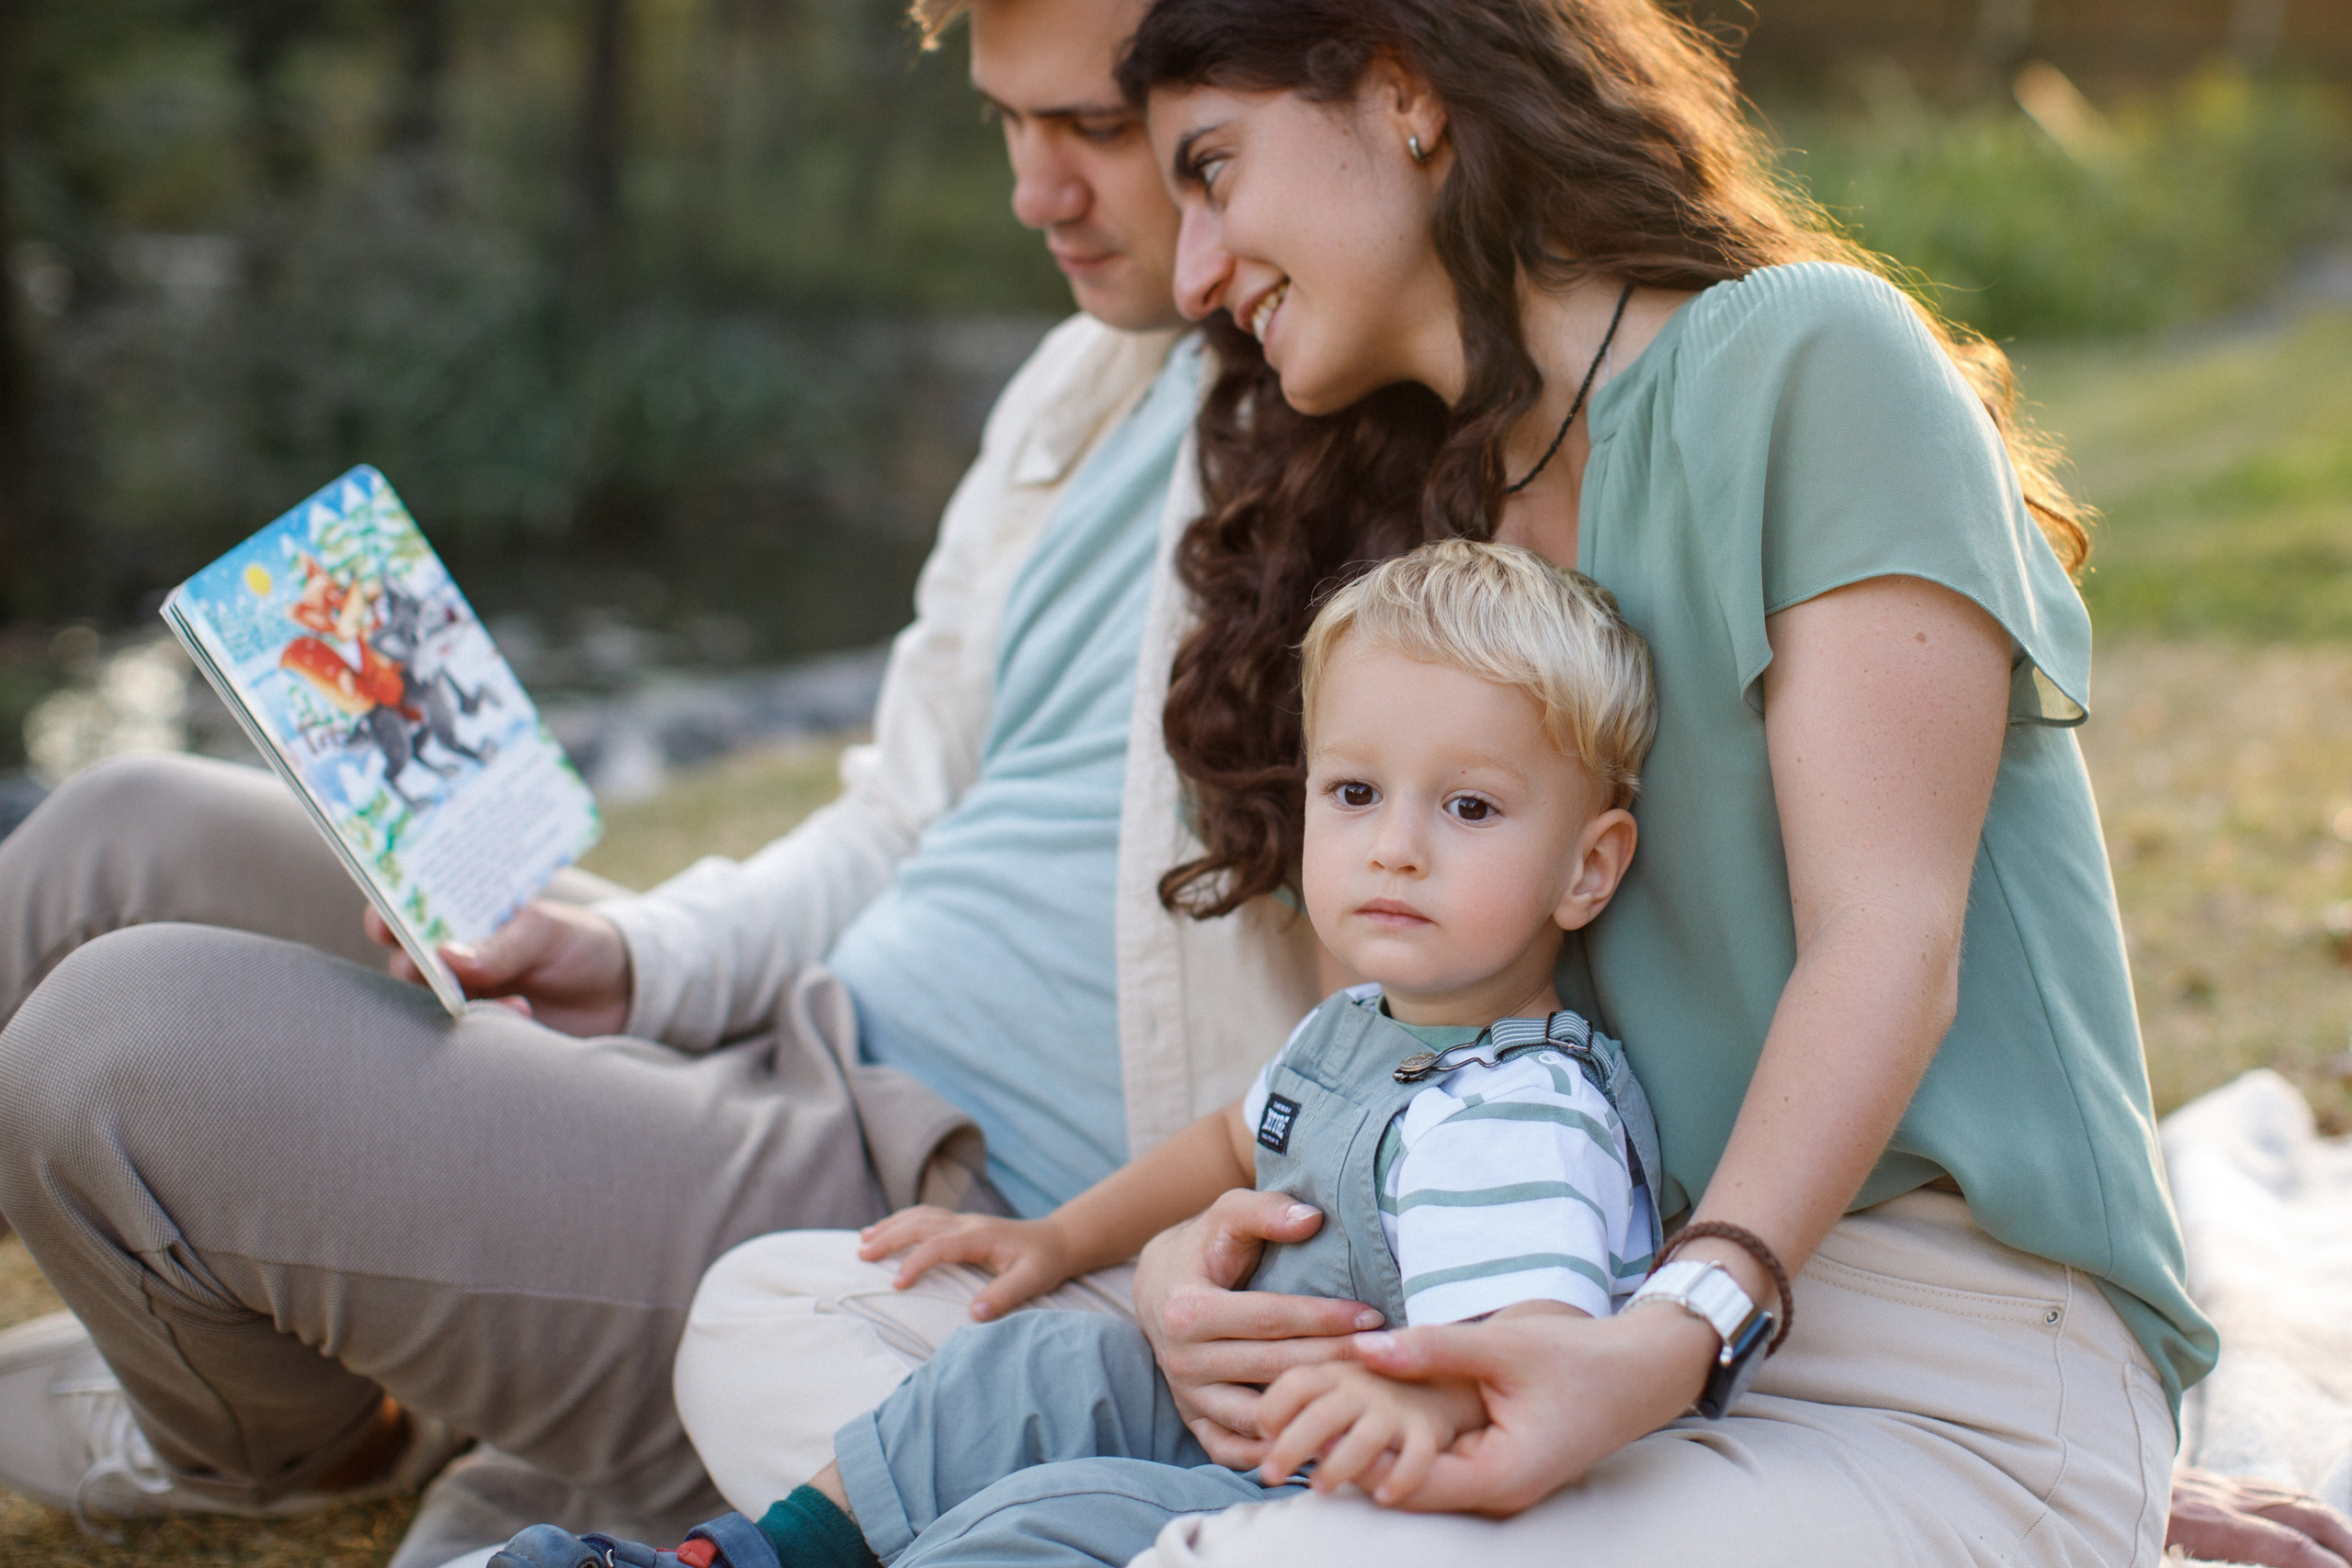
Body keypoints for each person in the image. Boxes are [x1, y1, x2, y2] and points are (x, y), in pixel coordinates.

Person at [0, 0, 1364, 1564]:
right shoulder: (1090, 387)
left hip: (928, 1209)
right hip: (797, 1040)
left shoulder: (1391, 430)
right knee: (113, 836)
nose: (1033, 191)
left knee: (112, 1055)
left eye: (1101, 131)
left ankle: (302, 1432)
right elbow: (898, 813)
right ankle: (429, 1339)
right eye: (1007, 121)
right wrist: (642, 962)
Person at [494, 537, 1667, 1568]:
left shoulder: (1523, 1109)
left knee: (1053, 1519)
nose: (1394, 848)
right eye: (1355, 792)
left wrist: (1411, 1396)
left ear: (1588, 868)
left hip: (1347, 1496)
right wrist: (1059, 1239)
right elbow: (1227, 1143)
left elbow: (1539, 1351)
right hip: (1248, 1422)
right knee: (1021, 1374)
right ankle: (750, 1558)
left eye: (1469, 808)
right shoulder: (1353, 1030)